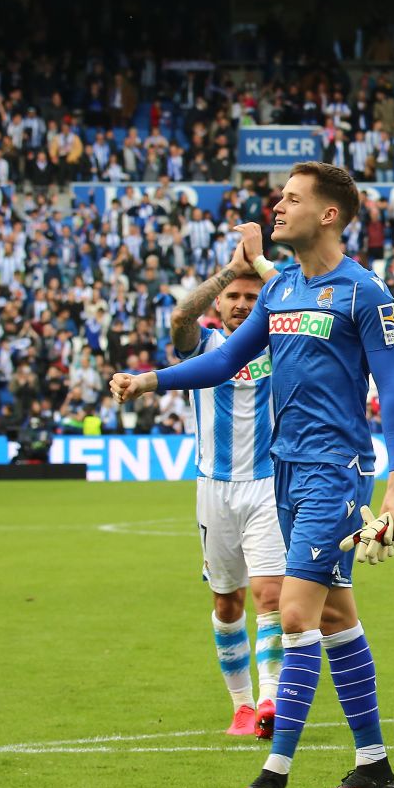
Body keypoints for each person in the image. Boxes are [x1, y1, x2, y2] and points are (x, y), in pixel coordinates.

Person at [111, 161, 394, 788]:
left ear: (328, 214)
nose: (278, 206)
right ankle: (374, 767)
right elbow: (224, 358)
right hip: (284, 470)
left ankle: (273, 776)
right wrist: (150, 380)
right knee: (335, 618)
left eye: (292, 198)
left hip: (334, 472)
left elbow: (391, 391)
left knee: (295, 614)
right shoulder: (281, 290)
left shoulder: (364, 292)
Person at [167, 221, 284, 739]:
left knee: (270, 596)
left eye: (250, 297)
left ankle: (270, 701)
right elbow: (179, 317)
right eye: (233, 296)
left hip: (267, 484)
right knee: (226, 601)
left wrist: (260, 268)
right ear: (219, 302)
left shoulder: (280, 345)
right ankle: (241, 705)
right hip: (213, 487)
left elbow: (303, 307)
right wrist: (229, 271)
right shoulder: (204, 347)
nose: (240, 304)